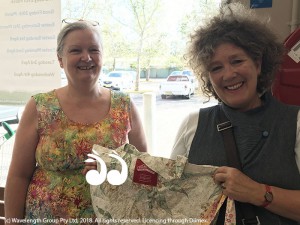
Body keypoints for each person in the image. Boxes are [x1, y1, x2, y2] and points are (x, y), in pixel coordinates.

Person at [4, 20, 147, 224]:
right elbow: (18, 176)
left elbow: (144, 170)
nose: (86, 57)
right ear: (60, 59)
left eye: (94, 50)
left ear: (102, 56)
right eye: (75, 50)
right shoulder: (40, 107)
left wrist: (115, 166)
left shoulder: (124, 106)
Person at [170, 3, 300, 224]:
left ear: (258, 64)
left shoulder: (295, 122)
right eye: (216, 67)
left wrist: (258, 193)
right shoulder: (193, 124)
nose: (228, 74)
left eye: (237, 61)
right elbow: (170, 196)